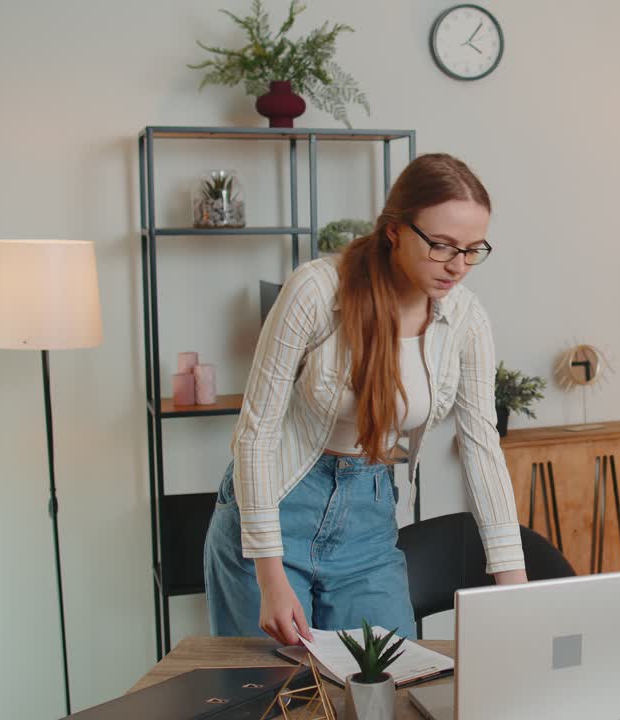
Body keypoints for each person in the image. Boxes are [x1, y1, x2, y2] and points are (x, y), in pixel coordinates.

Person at [204, 153, 527, 646]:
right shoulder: (316, 291)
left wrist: (514, 588)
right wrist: (270, 576)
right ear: (395, 230)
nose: (458, 266)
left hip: (368, 517)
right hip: (278, 504)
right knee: (276, 696)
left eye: (472, 249)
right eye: (441, 246)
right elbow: (256, 432)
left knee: (385, 685)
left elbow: (482, 448)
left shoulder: (466, 320)